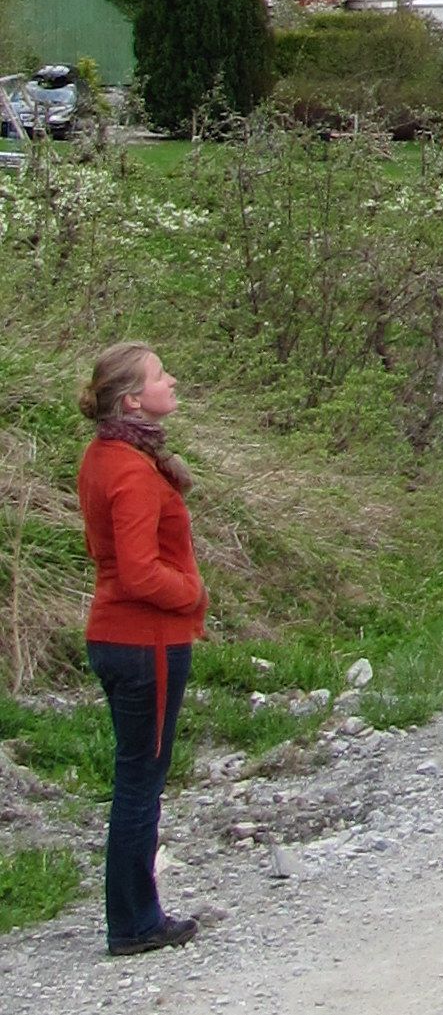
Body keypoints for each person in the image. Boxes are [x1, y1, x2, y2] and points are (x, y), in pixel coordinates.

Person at [75, 341, 205, 958]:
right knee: (139, 783)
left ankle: (134, 914)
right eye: (160, 375)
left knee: (138, 777)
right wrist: (191, 593)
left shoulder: (110, 454)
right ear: (132, 397)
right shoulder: (127, 468)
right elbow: (136, 572)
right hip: (142, 641)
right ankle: (133, 923)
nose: (171, 380)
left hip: (122, 638)